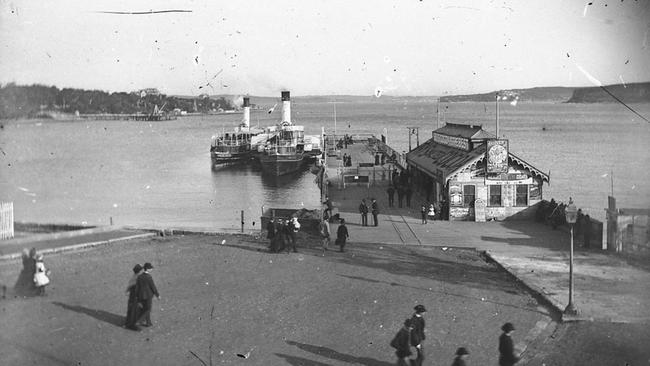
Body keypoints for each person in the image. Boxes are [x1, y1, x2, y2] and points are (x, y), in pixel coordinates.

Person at [135, 262, 160, 327]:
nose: (151, 269)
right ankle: (139, 321)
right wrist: (157, 295)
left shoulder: (139, 277)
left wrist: (137, 296)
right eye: (151, 268)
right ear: (148, 269)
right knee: (148, 309)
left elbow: (137, 287)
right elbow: (153, 287)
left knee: (145, 308)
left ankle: (148, 323)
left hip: (141, 296)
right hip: (148, 296)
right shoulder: (149, 277)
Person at [125, 264, 143, 331]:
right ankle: (132, 325)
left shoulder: (134, 277)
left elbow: (129, 287)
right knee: (135, 311)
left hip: (132, 297)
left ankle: (129, 323)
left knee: (131, 310)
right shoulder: (137, 279)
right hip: (135, 298)